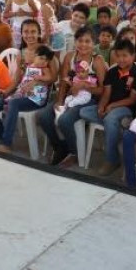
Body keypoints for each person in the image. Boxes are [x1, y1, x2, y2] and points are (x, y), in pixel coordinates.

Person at [79, 39, 136, 176]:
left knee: (110, 119)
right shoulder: (112, 71)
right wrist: (102, 106)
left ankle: (112, 160)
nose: (121, 59)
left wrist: (111, 106)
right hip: (110, 107)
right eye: (118, 55)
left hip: (127, 109)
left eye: (125, 56)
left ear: (133, 56)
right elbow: (106, 93)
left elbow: (132, 99)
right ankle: (115, 129)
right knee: (84, 112)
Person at [44, 27, 107, 167]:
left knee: (65, 120)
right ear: (75, 41)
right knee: (44, 116)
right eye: (80, 40)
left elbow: (102, 90)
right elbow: (64, 82)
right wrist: (60, 101)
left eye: (87, 41)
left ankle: (74, 153)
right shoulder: (69, 57)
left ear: (94, 43)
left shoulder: (97, 60)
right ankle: (60, 147)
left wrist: (84, 86)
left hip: (89, 100)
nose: (83, 44)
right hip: (70, 98)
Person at [0, 45, 56, 154]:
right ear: (35, 56)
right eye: (41, 58)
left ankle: (5, 143)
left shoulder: (44, 69)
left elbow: (50, 78)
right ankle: (4, 136)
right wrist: (7, 91)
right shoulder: (28, 66)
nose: (43, 62)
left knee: (13, 103)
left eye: (46, 60)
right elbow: (18, 80)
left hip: (36, 98)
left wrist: (39, 79)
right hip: (22, 94)